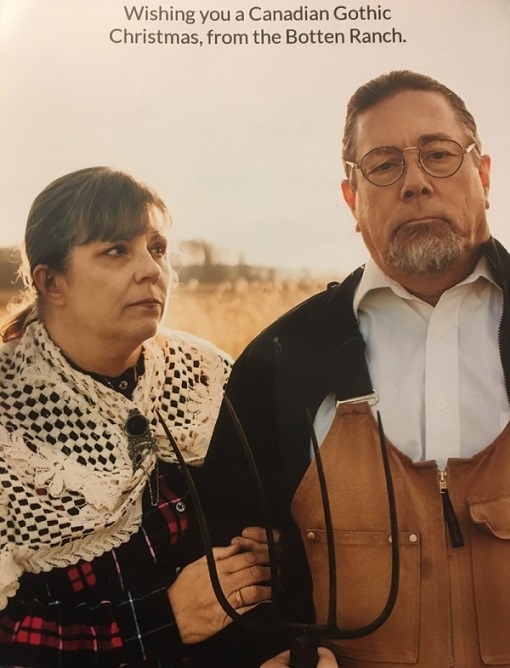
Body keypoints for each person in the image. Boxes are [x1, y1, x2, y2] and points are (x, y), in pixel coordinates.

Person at [200, 70, 510, 666]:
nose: (415, 182)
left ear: (485, 175)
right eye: (384, 165)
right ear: (352, 199)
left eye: (439, 155)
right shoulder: (277, 362)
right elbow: (232, 579)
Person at [0, 166, 288, 667]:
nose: (152, 270)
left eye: (157, 249)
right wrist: (162, 619)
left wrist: (276, 563)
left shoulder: (206, 375)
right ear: (50, 281)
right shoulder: (9, 409)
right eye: (117, 250)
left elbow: (264, 524)